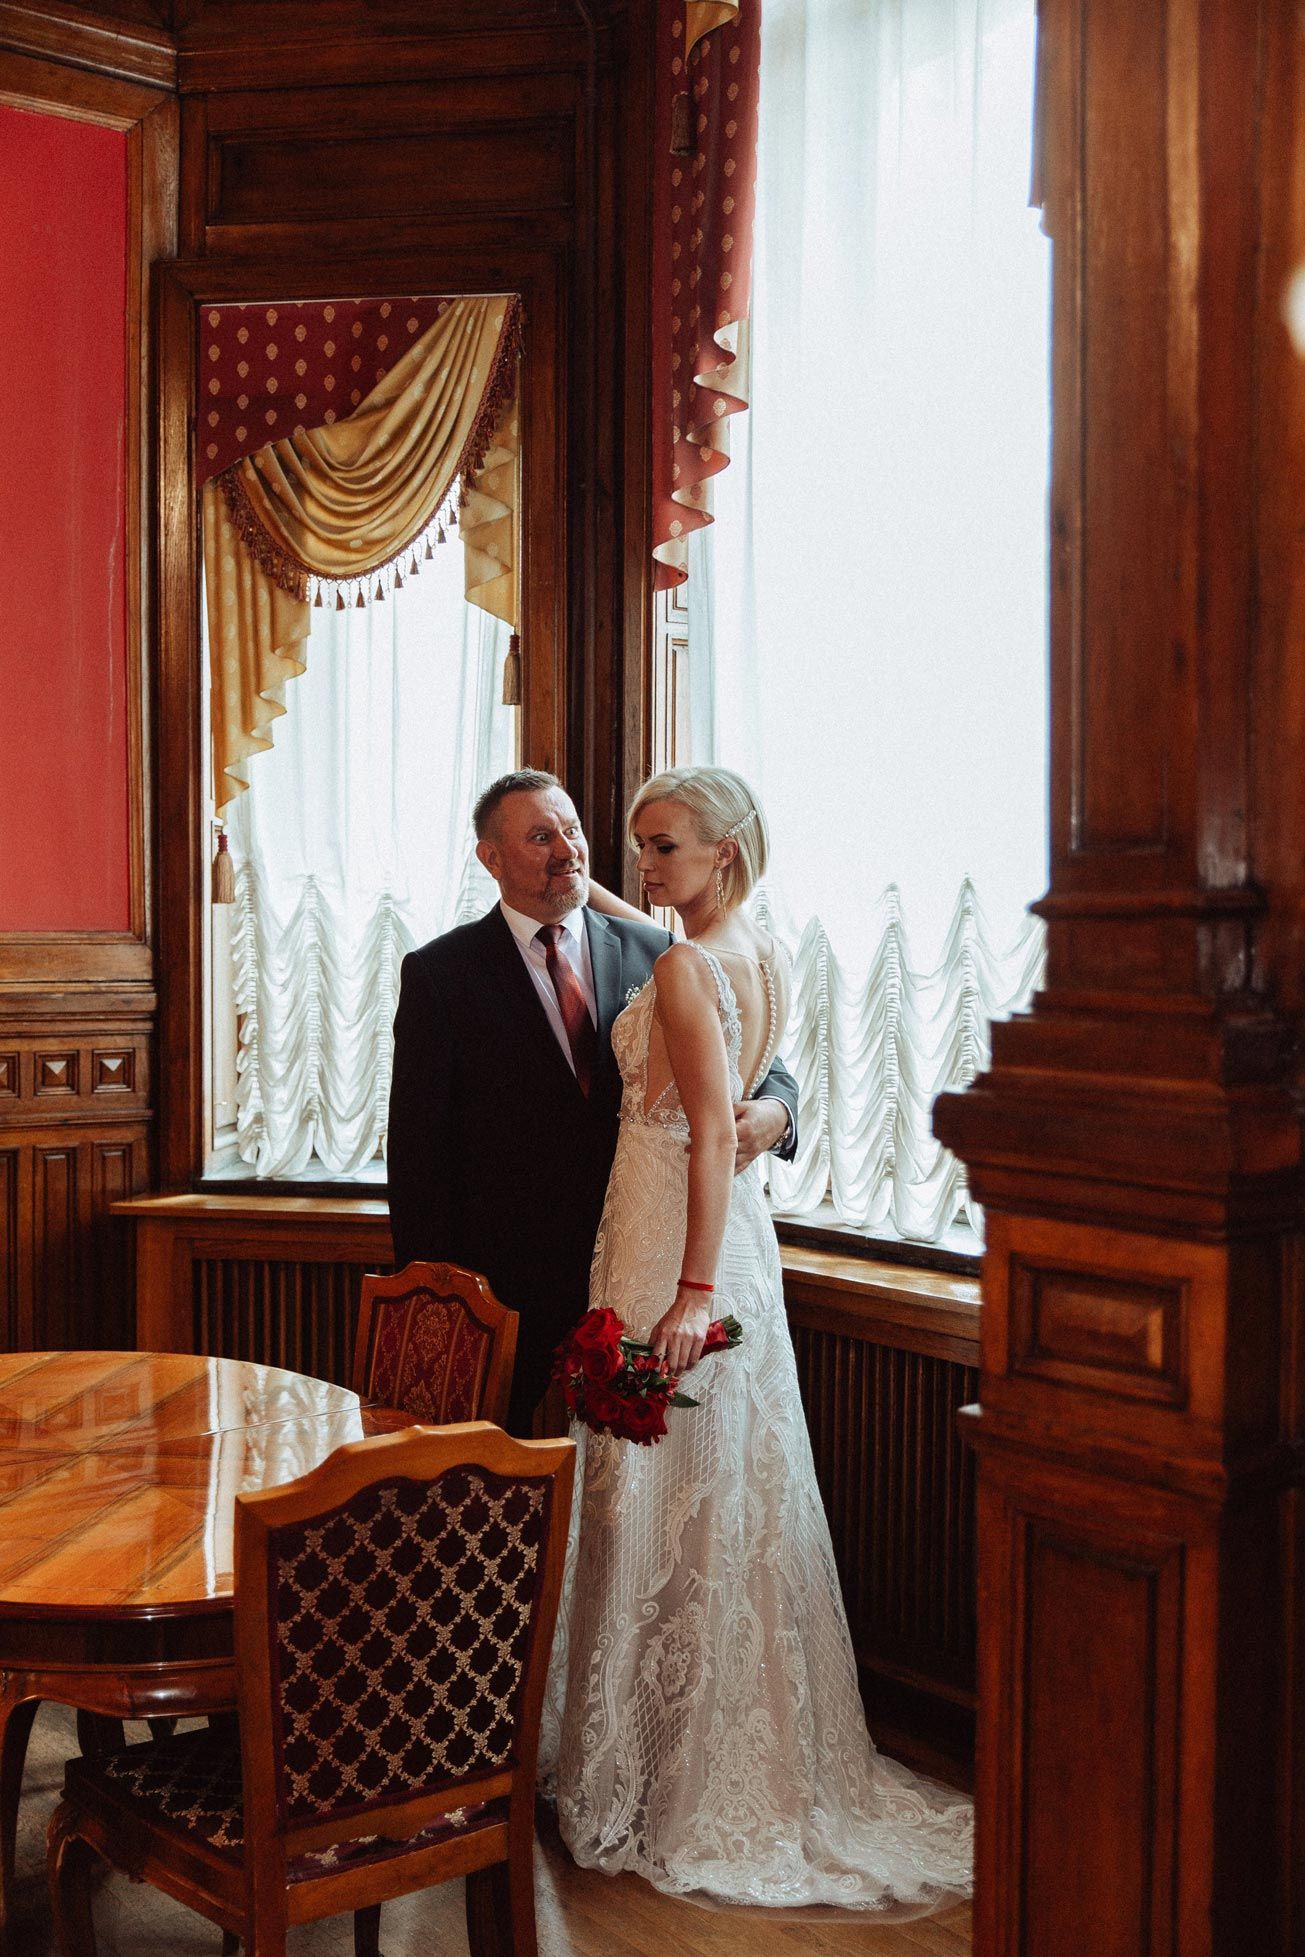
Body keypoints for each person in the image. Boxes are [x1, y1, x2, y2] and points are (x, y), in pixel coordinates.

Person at [543, 766, 973, 1913]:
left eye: (664, 846)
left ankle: (658, 1771)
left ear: (722, 851)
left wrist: (689, 1294)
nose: (643, 864)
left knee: (667, 1487)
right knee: (723, 1493)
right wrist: (601, 894)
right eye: (638, 844)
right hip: (732, 1247)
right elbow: (722, 1079)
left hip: (677, 1252)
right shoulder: (754, 948)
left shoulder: (687, 968)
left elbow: (706, 1137)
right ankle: (706, 1751)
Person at [386, 768, 799, 1435]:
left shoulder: (658, 949)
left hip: (643, 1265)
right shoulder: (440, 973)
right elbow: (416, 1155)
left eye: (572, 830)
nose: (567, 850)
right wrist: (436, 1299)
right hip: (506, 1288)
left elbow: (757, 1060)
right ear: (491, 857)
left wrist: (777, 1115)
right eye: (540, 837)